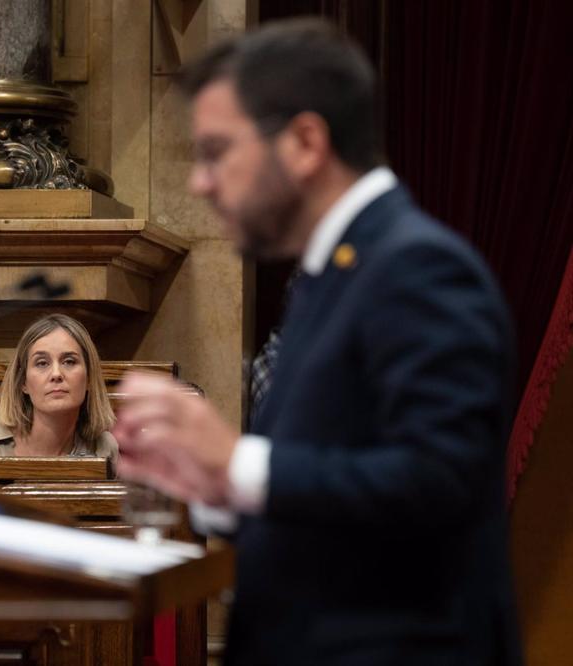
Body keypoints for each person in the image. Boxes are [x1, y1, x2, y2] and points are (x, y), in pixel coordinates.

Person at [112, 19, 521, 666]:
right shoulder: (329, 277)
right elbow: (331, 502)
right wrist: (213, 486)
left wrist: (237, 461)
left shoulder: (416, 268)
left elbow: (438, 483)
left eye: (218, 151)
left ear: (305, 142)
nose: (200, 182)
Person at [0, 314, 118, 464]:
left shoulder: (104, 448)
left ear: (88, 378)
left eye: (69, 362)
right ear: (23, 383)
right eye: (42, 363)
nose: (56, 374)